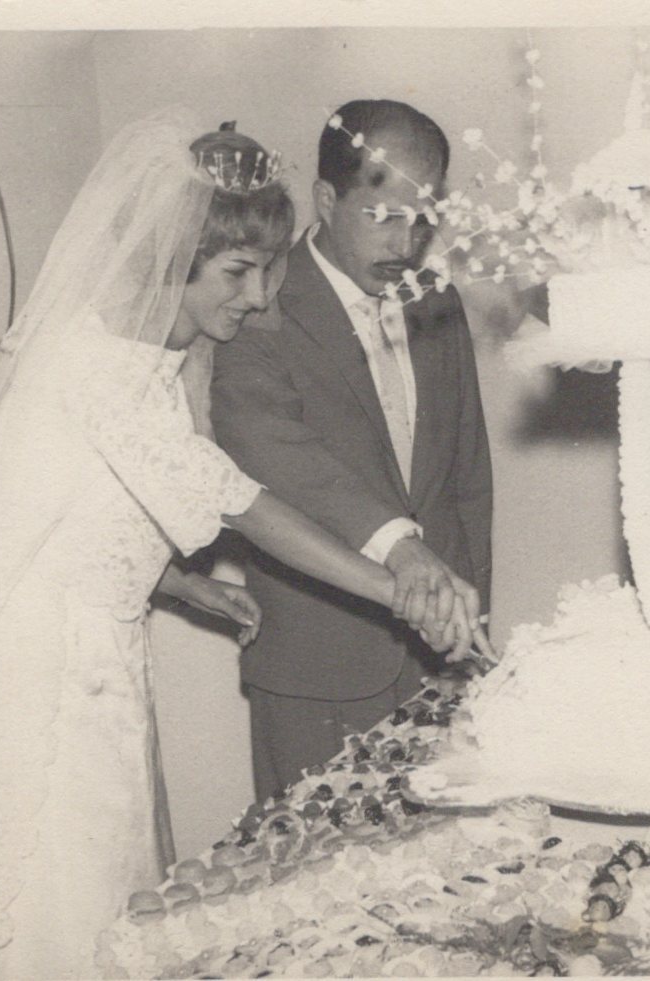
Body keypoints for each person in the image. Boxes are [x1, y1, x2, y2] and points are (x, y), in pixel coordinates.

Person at [0, 112, 469, 980]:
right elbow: (245, 504)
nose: (259, 296)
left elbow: (74, 507)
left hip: (96, 655)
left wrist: (181, 584)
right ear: (172, 261)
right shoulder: (98, 368)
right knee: (51, 909)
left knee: (102, 889)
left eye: (268, 269)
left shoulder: (135, 353)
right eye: (237, 272)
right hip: (42, 677)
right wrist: (396, 588)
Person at [211, 98, 493, 804]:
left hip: (439, 660)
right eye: (384, 216)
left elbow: (466, 480)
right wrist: (402, 550)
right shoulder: (259, 300)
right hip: (318, 669)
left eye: (422, 220)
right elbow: (271, 452)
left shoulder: (435, 298)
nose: (406, 243)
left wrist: (467, 626)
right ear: (327, 199)